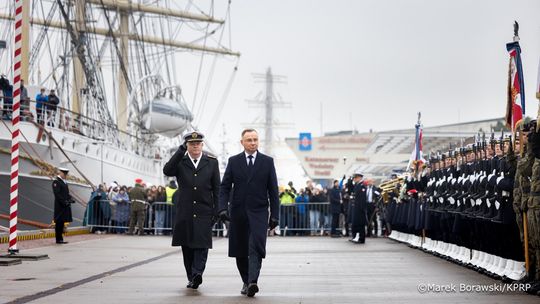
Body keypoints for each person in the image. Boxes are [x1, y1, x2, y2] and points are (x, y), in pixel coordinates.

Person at [218, 128, 280, 297]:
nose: (253, 143)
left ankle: (253, 281)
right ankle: (246, 280)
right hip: (238, 213)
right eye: (249, 140)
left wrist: (275, 215)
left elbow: (273, 190)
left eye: (255, 139)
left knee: (255, 246)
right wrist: (222, 209)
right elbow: (224, 188)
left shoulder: (267, 162)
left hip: (259, 212)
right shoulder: (233, 161)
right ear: (242, 142)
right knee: (240, 249)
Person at [163, 131, 220, 290]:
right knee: (187, 246)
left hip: (204, 210)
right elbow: (167, 171)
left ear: (202, 145)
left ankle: (197, 273)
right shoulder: (181, 161)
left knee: (202, 245)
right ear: (186, 146)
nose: (195, 146)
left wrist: (218, 209)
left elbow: (217, 188)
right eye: (191, 144)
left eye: (198, 144)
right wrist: (180, 151)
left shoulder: (211, 162)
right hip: (186, 210)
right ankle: (191, 276)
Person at [52, 167, 74, 244]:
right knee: (58, 222)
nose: (65, 175)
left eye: (66, 174)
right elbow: (57, 194)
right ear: (60, 173)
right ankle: (58, 239)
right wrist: (64, 202)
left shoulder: (64, 182)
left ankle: (61, 239)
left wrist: (70, 199)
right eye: (64, 174)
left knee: (62, 222)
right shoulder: (56, 182)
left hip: (64, 205)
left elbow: (66, 193)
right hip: (59, 206)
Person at [350, 172, 367, 244]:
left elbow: (362, 199)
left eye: (355, 178)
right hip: (356, 207)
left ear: (359, 178)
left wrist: (362, 208)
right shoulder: (357, 185)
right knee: (356, 223)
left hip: (360, 208)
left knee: (360, 224)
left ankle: (360, 238)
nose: (354, 179)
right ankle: (356, 237)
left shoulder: (362, 186)